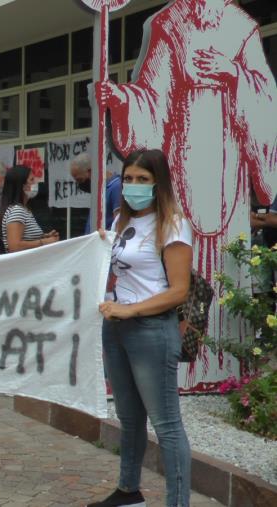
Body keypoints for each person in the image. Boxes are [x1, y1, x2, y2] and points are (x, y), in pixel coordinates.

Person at [97, 0, 276, 275]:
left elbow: (266, 97)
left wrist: (233, 73)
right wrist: (122, 99)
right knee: (180, 243)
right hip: (182, 160)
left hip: (228, 164)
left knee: (227, 263)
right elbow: (152, 98)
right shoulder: (169, 23)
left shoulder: (242, 27)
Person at [90, 149, 192, 507]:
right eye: (128, 178)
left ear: (158, 183)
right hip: (116, 328)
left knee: (166, 424)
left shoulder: (173, 224)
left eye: (142, 180)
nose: (133, 186)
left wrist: (132, 310)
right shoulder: (121, 219)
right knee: (129, 417)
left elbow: (179, 290)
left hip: (151, 331)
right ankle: (128, 492)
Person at [0, 166, 59, 253]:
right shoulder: (17, 211)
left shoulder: (24, 209)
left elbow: (25, 238)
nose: (35, 183)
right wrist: (44, 242)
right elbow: (14, 246)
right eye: (31, 180)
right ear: (22, 186)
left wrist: (43, 237)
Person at [69, 153, 122, 234]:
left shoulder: (116, 187)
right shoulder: (99, 190)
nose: (80, 184)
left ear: (91, 171)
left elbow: (119, 225)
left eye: (80, 180)